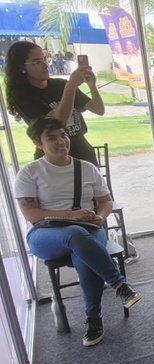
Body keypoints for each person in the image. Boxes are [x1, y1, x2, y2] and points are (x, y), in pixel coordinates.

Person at [13, 117, 141, 347]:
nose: (61, 141)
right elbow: (31, 213)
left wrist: (100, 217)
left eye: (63, 135)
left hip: (88, 228)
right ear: (38, 143)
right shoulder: (30, 172)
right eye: (52, 138)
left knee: (83, 254)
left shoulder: (86, 168)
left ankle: (93, 318)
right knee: (74, 233)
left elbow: (105, 201)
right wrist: (72, 216)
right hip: (46, 234)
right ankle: (120, 285)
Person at [4, 41, 104, 166]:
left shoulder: (60, 84)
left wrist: (92, 85)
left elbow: (98, 109)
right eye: (37, 62)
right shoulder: (22, 95)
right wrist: (71, 86)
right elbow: (58, 121)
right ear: (22, 68)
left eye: (45, 59)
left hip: (82, 151)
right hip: (54, 156)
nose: (45, 65)